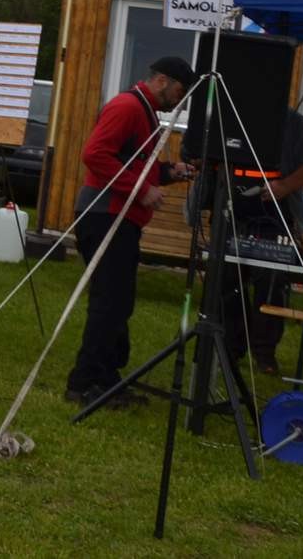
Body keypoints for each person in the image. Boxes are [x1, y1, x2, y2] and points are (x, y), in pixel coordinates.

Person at [63, 56, 198, 408]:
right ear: (162, 81)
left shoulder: (147, 113)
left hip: (121, 218)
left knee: (120, 303)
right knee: (108, 304)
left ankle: (107, 378)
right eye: (180, 93)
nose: (180, 102)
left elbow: (136, 163)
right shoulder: (127, 107)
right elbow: (95, 155)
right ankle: (83, 383)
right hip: (105, 215)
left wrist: (169, 172)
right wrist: (141, 190)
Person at [183, 106, 303, 374]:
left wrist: (284, 186)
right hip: (227, 217)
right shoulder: (222, 117)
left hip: (274, 221)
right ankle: (229, 348)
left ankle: (264, 352)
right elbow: (191, 154)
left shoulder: (294, 123)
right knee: (225, 284)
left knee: (271, 285)